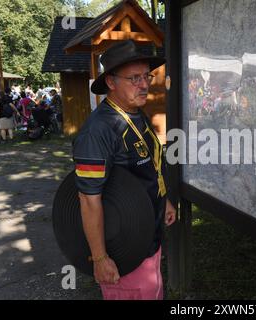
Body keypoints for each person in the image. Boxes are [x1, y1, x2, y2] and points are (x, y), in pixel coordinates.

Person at [72, 40, 176, 300]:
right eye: (134, 78)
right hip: (123, 251)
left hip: (148, 237)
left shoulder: (134, 114)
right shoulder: (98, 132)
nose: (144, 85)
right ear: (110, 82)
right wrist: (99, 258)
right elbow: (87, 198)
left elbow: (148, 168)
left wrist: (164, 202)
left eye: (146, 76)